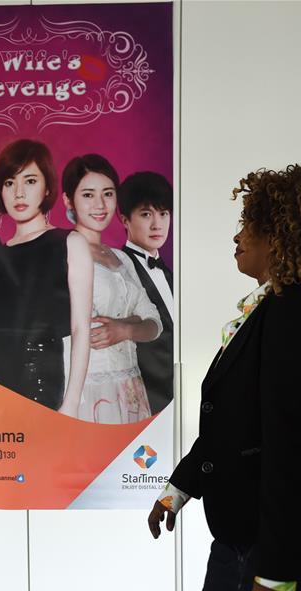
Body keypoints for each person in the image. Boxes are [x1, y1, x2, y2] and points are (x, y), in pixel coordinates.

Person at [147, 165, 301, 591]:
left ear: (279, 236)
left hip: (270, 551)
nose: (237, 238)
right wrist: (179, 490)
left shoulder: (293, 314)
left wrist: (275, 576)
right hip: (249, 542)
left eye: (248, 226)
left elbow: (290, 448)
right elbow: (236, 427)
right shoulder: (275, 310)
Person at [0, 140, 92, 414]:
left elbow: (82, 330)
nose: (19, 193)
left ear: (47, 188)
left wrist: (71, 403)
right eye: (10, 183)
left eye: (30, 180)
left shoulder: (70, 243)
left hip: (41, 381)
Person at [61, 154, 161, 423]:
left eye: (108, 193)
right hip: (88, 390)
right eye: (88, 195)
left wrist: (125, 329)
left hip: (130, 389)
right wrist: (132, 323)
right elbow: (85, 330)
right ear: (68, 200)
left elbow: (154, 322)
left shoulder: (123, 258)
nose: (100, 205)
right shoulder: (65, 252)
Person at [118, 171, 175, 415]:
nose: (157, 224)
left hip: (178, 397)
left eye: (163, 213)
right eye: (146, 214)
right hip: (145, 401)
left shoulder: (171, 273)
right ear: (124, 220)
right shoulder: (118, 270)